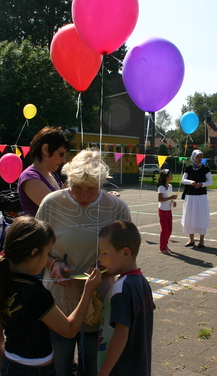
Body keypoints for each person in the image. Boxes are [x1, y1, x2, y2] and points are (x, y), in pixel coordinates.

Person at [37, 149, 131, 376]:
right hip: (59, 301)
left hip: (98, 302)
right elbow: (35, 250)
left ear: (102, 183)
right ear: (68, 180)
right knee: (58, 366)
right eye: (77, 188)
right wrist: (52, 264)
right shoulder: (51, 203)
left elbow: (127, 257)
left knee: (92, 366)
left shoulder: (116, 207)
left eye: (92, 189)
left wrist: (106, 270)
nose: (84, 196)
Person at [0, 217, 101, 376]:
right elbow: (70, 330)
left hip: (10, 364)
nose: (47, 259)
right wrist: (87, 292)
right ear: (34, 253)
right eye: (47, 253)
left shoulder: (0, 280)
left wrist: (1, 367)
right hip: (37, 370)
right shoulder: (36, 294)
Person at [97, 220, 154, 376]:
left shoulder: (120, 290)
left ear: (125, 253)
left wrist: (103, 372)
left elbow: (121, 335)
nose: (99, 258)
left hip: (122, 368)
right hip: (140, 365)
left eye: (105, 252)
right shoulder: (141, 281)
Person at [18, 127, 70, 217]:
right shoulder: (30, 177)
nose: (63, 160)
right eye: (61, 154)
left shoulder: (52, 174)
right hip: (39, 231)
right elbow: (57, 209)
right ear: (45, 149)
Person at [181, 150, 212, 248]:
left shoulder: (205, 168)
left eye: (201, 156)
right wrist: (190, 182)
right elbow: (183, 180)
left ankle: (202, 240)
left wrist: (202, 184)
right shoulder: (189, 168)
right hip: (190, 196)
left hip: (201, 196)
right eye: (198, 157)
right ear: (193, 157)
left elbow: (210, 182)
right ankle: (191, 239)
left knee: (200, 217)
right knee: (190, 216)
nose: (199, 159)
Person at [156, 169, 177, 255]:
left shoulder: (170, 186)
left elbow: (168, 197)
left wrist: (172, 201)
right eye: (170, 175)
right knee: (164, 230)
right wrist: (170, 198)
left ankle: (165, 244)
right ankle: (162, 247)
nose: (172, 176)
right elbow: (160, 199)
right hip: (163, 210)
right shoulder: (161, 187)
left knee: (169, 229)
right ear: (166, 177)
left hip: (169, 210)